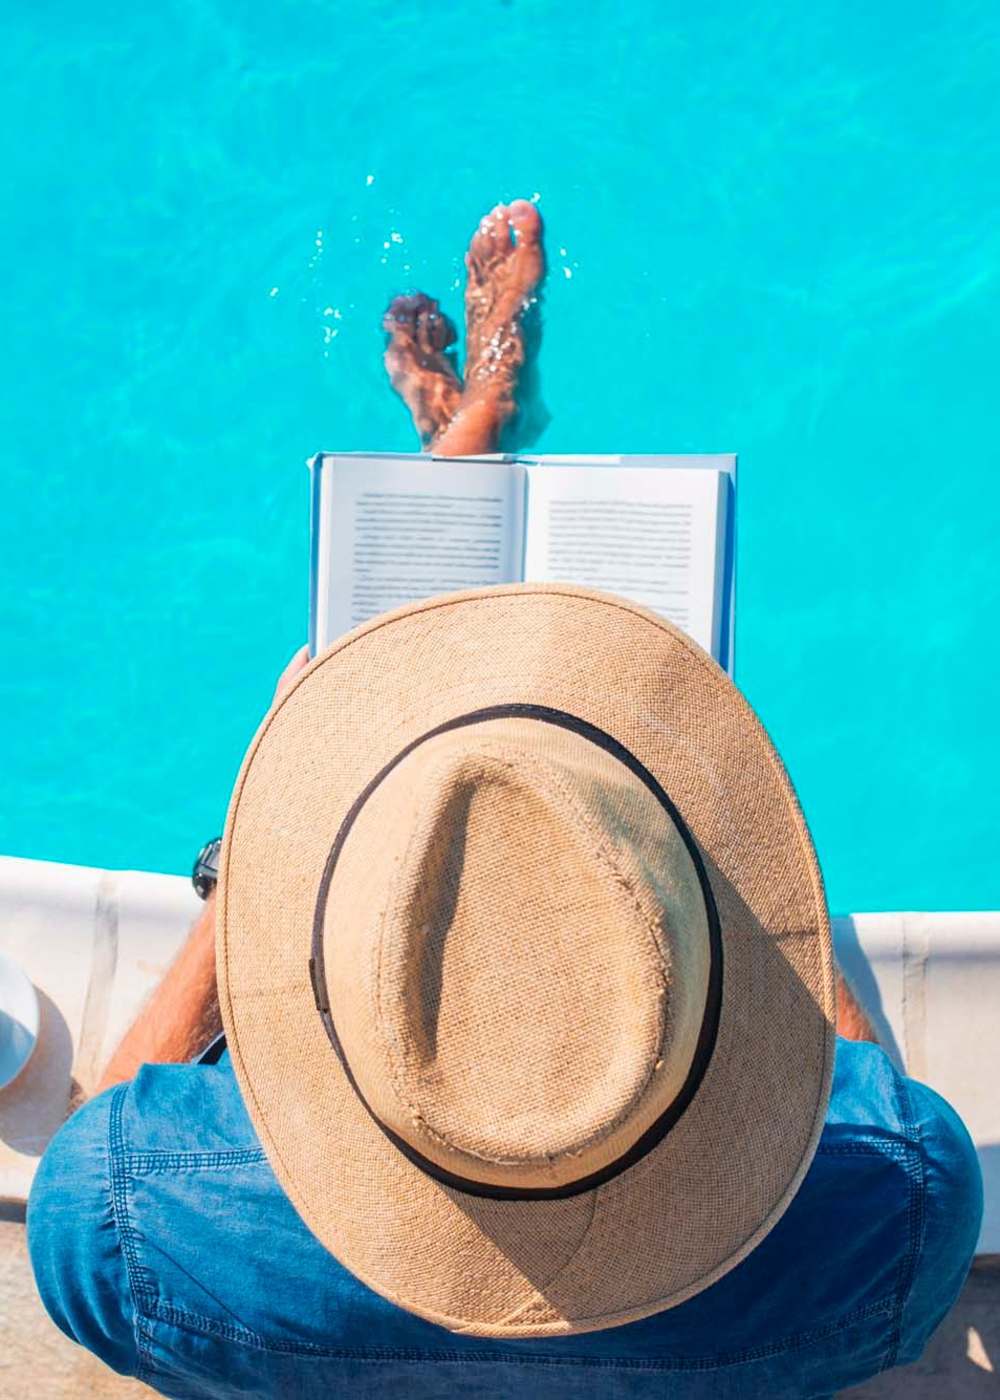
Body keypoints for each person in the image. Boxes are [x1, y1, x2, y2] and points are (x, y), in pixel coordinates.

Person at [27, 200, 981, 1400]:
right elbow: (865, 1100)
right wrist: (732, 862)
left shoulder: (121, 1228)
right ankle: (477, 416)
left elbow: (93, 1143)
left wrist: (255, 857)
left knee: (439, 753)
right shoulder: (901, 1219)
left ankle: (468, 432)